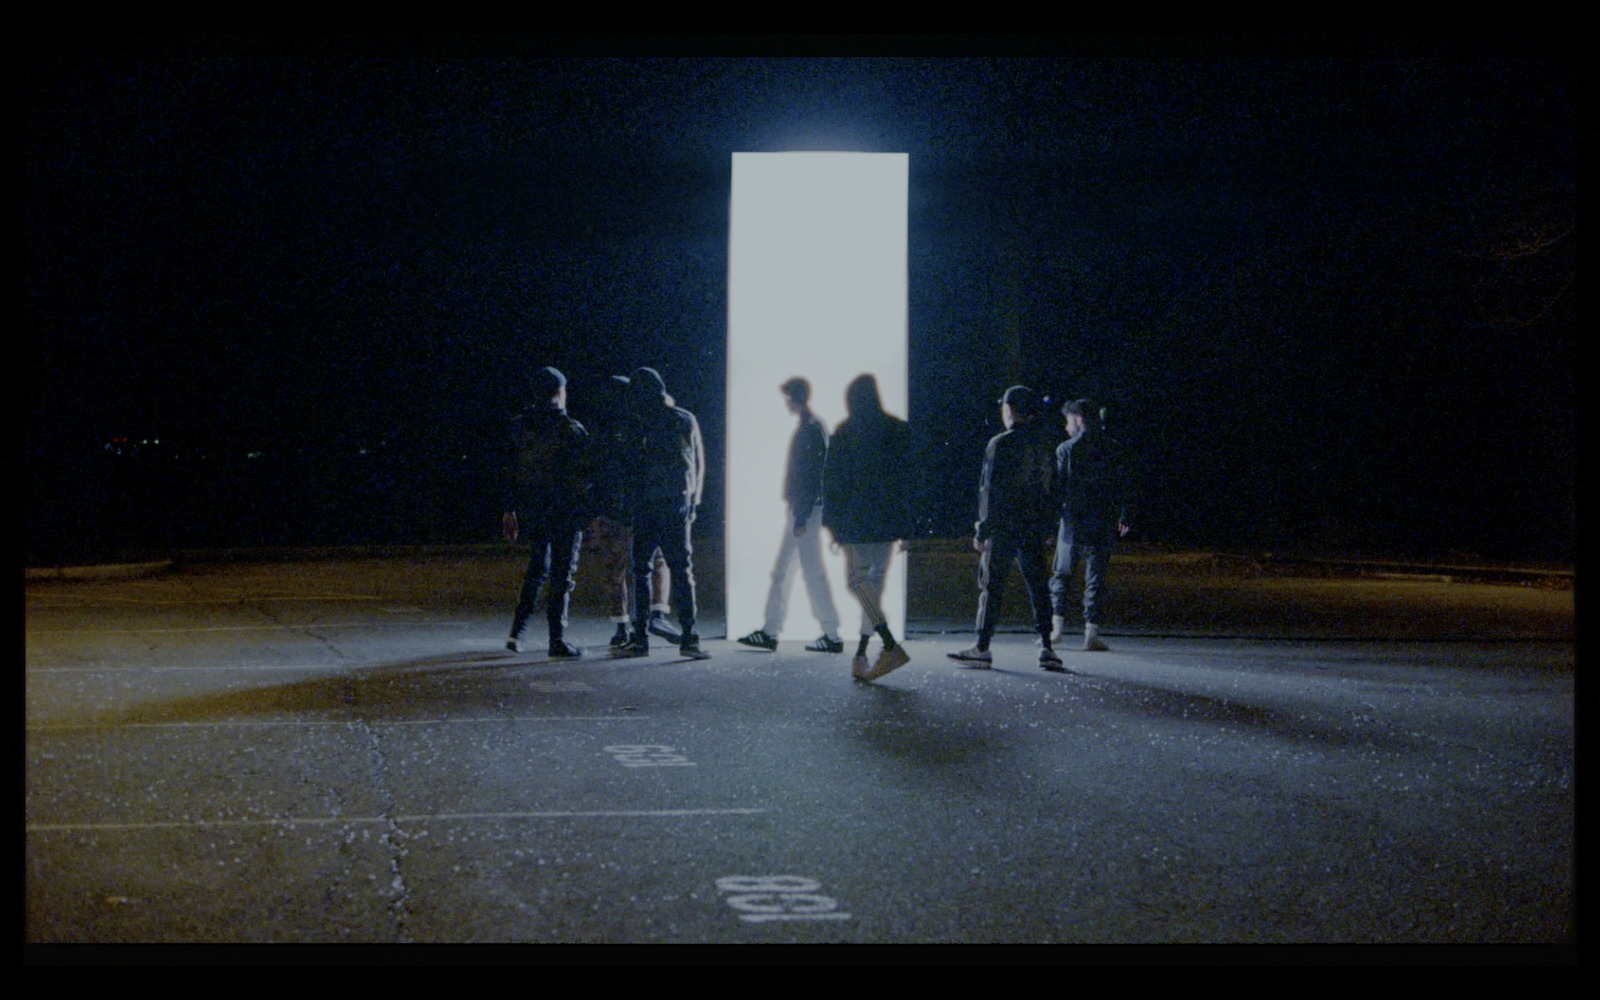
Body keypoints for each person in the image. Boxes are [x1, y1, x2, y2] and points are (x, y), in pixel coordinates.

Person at [948, 385, 1065, 671]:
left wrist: (982, 529)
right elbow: (1053, 489)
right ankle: (1047, 647)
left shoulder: (1000, 444)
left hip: (1004, 526)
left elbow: (990, 491)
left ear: (1010, 410)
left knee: (992, 587)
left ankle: (982, 647)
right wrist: (1049, 526)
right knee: (1038, 586)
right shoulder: (1046, 444)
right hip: (1034, 527)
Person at [737, 378, 845, 654]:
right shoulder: (813, 426)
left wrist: (799, 516)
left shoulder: (809, 429)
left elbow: (810, 475)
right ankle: (771, 631)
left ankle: (830, 634)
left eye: (787, 397)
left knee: (807, 571)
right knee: (786, 571)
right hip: (804, 511)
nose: (785, 403)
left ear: (794, 399)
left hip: (804, 512)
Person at [822, 373, 916, 682]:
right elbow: (909, 482)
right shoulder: (897, 430)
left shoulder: (845, 432)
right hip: (887, 522)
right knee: (872, 587)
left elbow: (832, 481)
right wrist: (907, 526)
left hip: (856, 522)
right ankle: (861, 655)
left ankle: (889, 645)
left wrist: (832, 524)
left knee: (858, 583)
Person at [615, 367, 711, 660]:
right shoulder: (684, 418)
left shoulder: (637, 422)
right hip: (677, 505)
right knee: (682, 570)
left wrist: (626, 505)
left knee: (641, 571)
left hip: (646, 506)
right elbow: (698, 464)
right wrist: (694, 502)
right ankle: (690, 638)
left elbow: (629, 468)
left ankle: (640, 639)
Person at [502, 366, 590, 659]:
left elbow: (510, 470)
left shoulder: (520, 425)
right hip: (565, 510)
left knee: (537, 568)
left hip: (534, 506)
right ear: (560, 392)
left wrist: (509, 509)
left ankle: (517, 632)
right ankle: (557, 639)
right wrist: (587, 517)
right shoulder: (571, 429)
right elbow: (583, 478)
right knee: (563, 574)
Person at [587, 374, 679, 649]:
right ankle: (656, 614)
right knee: (655, 561)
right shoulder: (642, 423)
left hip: (612, 507)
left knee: (615, 570)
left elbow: (595, 471)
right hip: (640, 505)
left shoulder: (603, 428)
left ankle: (622, 626)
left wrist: (594, 513)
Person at [1050, 398, 1132, 652]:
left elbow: (1058, 488)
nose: (1066, 426)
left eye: (1069, 420)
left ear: (1080, 419)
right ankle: (1091, 634)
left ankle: (1056, 630)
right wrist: (1124, 515)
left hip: (1072, 521)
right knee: (1095, 578)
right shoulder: (1115, 448)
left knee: (1062, 575)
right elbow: (1125, 486)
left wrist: (1050, 522)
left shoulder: (1066, 449)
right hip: (1103, 520)